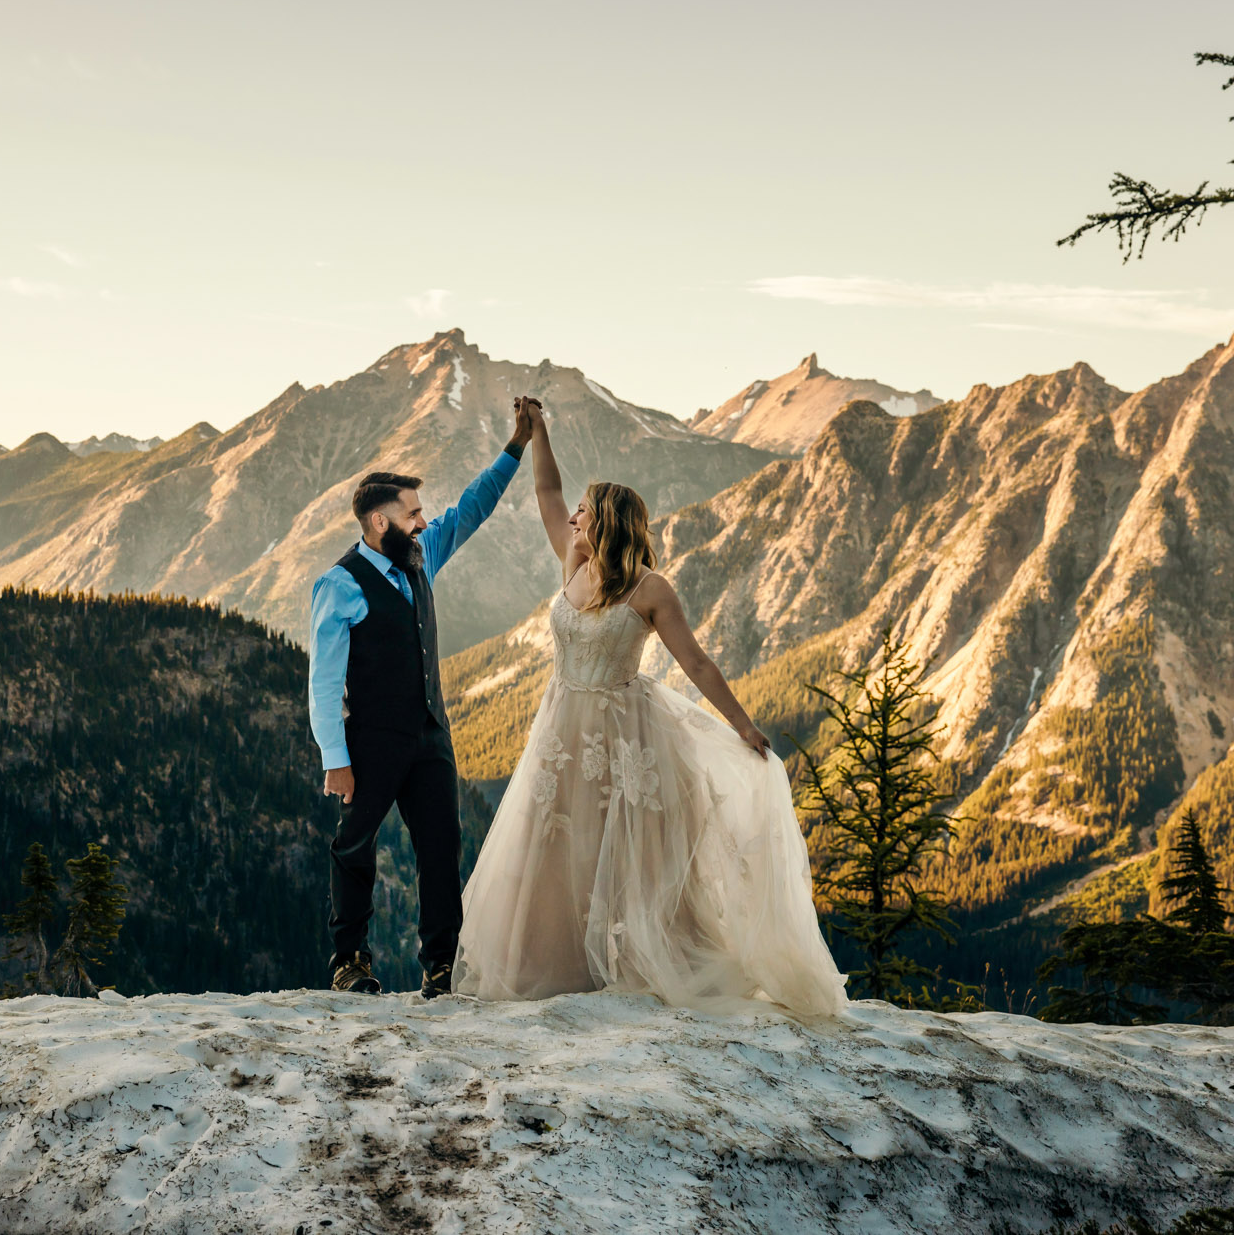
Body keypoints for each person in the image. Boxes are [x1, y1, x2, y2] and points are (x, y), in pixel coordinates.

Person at [451, 399, 848, 1020]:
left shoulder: (650, 589)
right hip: (558, 732)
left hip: (620, 737)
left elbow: (697, 664)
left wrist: (742, 724)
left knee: (620, 855)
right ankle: (561, 969)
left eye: (586, 509)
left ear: (605, 520)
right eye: (577, 509)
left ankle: (630, 965)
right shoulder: (572, 561)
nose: (573, 515)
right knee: (553, 853)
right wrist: (538, 436)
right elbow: (548, 490)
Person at [307, 395, 538, 999]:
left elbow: (471, 509)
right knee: (354, 846)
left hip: (431, 736)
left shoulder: (419, 558)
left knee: (441, 850)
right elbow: (325, 681)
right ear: (379, 522)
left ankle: (442, 966)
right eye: (412, 514)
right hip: (372, 741)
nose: (423, 522)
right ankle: (349, 962)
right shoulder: (337, 586)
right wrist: (336, 756)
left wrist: (517, 445)